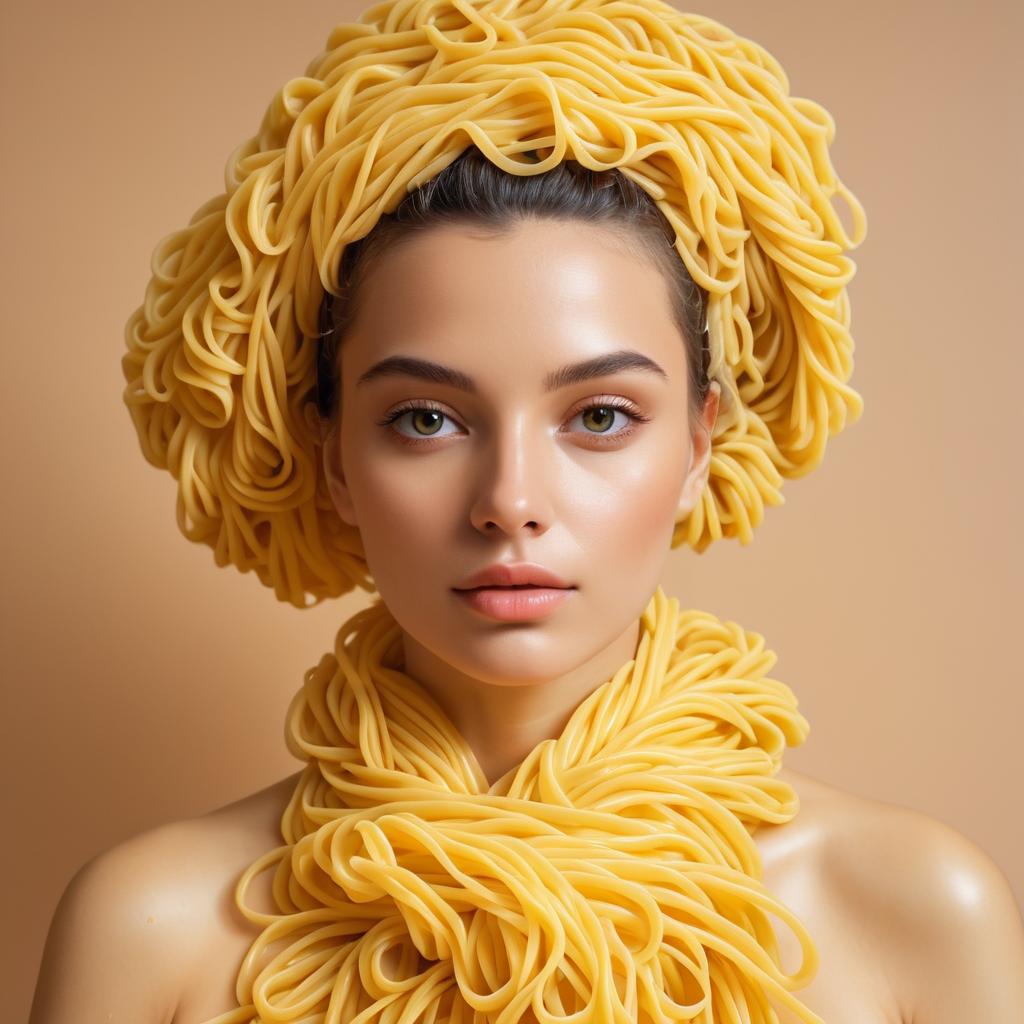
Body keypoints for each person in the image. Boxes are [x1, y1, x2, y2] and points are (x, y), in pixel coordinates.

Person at [29, 2, 1024, 1022]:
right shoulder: (149, 933)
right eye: (424, 418)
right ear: (330, 456)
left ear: (697, 444)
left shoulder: (910, 912)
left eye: (597, 415)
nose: (509, 502)